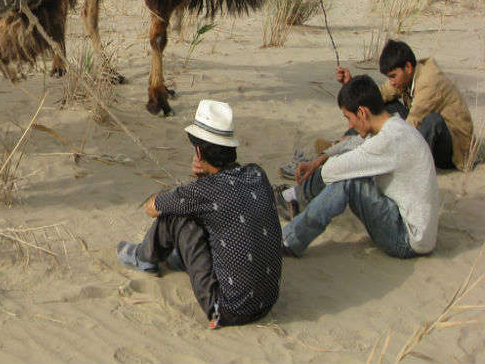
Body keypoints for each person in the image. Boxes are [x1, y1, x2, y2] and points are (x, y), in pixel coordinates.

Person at [117, 100, 282, 328]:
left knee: (175, 214)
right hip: (268, 301)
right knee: (199, 210)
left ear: (198, 151)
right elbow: (224, 198)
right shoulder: (256, 173)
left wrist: (192, 186)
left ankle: (144, 257)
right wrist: (203, 177)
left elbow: (152, 207)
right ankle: (170, 257)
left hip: (225, 309)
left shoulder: (206, 190)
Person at [277, 75, 439, 259]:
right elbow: (355, 142)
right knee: (348, 167)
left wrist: (324, 165)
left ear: (362, 113)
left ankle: (290, 238)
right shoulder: (395, 125)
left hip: (407, 239)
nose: (349, 125)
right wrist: (319, 159)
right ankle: (294, 197)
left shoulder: (390, 140)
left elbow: (334, 171)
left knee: (349, 181)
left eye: (349, 118)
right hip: (416, 230)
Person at [334, 40, 474, 170]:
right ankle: (347, 141)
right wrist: (350, 85)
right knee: (384, 106)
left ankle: (397, 165)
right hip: (423, 130)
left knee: (432, 120)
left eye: (393, 76)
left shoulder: (429, 83)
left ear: (407, 67)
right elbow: (376, 97)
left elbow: (410, 125)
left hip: (453, 152)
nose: (392, 82)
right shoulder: (406, 76)